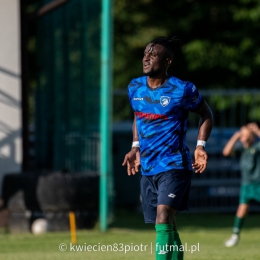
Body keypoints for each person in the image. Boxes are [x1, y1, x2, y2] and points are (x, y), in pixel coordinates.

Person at [122, 36, 213, 260]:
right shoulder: (134, 87)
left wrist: (200, 146)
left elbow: (206, 113)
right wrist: (135, 146)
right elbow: (138, 116)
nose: (146, 58)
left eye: (153, 55)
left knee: (163, 217)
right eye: (145, 54)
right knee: (166, 223)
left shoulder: (182, 89)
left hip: (174, 164)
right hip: (148, 166)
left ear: (167, 61)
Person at [224, 123, 260, 247]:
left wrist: (257, 131)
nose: (245, 137)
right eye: (243, 135)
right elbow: (226, 152)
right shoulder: (241, 150)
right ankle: (235, 235)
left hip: (258, 184)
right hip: (246, 185)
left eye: (248, 135)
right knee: (241, 209)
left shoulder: (257, 147)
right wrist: (235, 137)